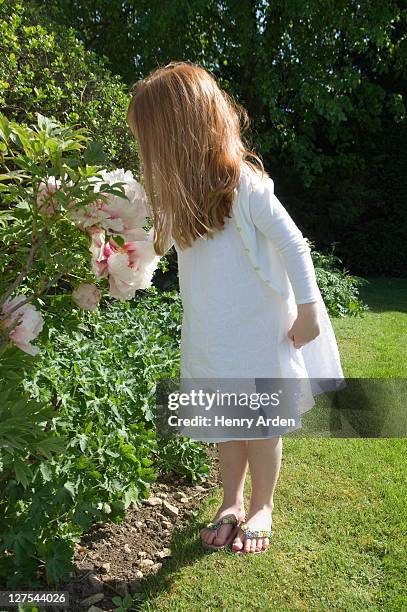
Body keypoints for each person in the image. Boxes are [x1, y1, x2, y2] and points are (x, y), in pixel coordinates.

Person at [126, 61, 344, 555]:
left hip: (259, 330)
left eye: (152, 143)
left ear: (179, 134)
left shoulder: (242, 185)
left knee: (262, 425)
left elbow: (294, 245)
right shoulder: (179, 199)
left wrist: (308, 308)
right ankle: (231, 499)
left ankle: (262, 504)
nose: (149, 155)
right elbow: (158, 247)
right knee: (227, 421)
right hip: (213, 333)